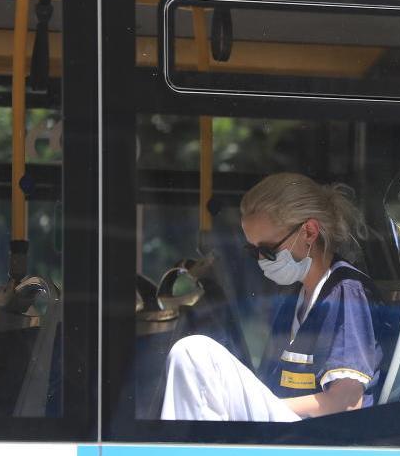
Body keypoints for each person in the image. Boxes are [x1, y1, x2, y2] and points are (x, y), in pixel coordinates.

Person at [160, 173, 386, 421]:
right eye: (253, 250)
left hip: (318, 439)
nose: (259, 260)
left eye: (267, 250)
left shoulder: (346, 292)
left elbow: (345, 402)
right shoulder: (296, 296)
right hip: (287, 433)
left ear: (309, 232)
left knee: (193, 352)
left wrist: (258, 407)